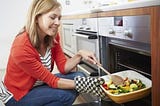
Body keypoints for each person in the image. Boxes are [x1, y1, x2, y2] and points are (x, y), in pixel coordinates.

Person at [0, 0, 106, 106]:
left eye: (59, 18)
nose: (58, 23)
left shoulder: (52, 36)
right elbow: (52, 80)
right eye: (52, 17)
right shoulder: (21, 46)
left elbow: (63, 67)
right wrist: (85, 84)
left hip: (38, 83)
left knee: (80, 76)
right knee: (65, 96)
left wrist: (80, 54)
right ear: (37, 17)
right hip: (18, 95)